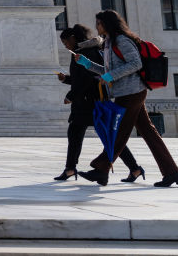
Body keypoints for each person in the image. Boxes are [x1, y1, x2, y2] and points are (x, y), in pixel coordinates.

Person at [75, 10, 178, 187]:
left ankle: (101, 169)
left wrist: (110, 77)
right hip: (125, 92)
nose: (96, 27)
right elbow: (109, 71)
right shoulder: (108, 44)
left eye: (99, 23)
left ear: (107, 24)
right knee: (148, 132)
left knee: (119, 132)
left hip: (133, 92)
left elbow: (135, 63)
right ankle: (172, 172)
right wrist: (87, 64)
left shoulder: (121, 40)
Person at [55, 24, 142, 181]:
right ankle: (70, 168)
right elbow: (80, 78)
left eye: (65, 42)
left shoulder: (86, 52)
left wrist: (71, 95)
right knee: (93, 135)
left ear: (73, 38)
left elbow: (88, 78)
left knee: (106, 136)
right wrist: (66, 79)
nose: (65, 46)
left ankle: (134, 168)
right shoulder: (81, 51)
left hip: (91, 103)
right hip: (87, 102)